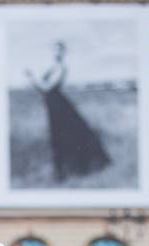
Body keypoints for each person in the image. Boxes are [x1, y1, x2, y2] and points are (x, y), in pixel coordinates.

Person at [25, 41, 110, 182]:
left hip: (59, 106)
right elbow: (42, 89)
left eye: (59, 50)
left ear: (63, 53)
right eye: (54, 50)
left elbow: (46, 88)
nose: (56, 53)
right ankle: (62, 172)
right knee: (58, 138)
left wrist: (32, 78)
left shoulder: (61, 68)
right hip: (52, 105)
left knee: (64, 137)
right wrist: (34, 79)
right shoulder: (53, 67)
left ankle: (69, 171)